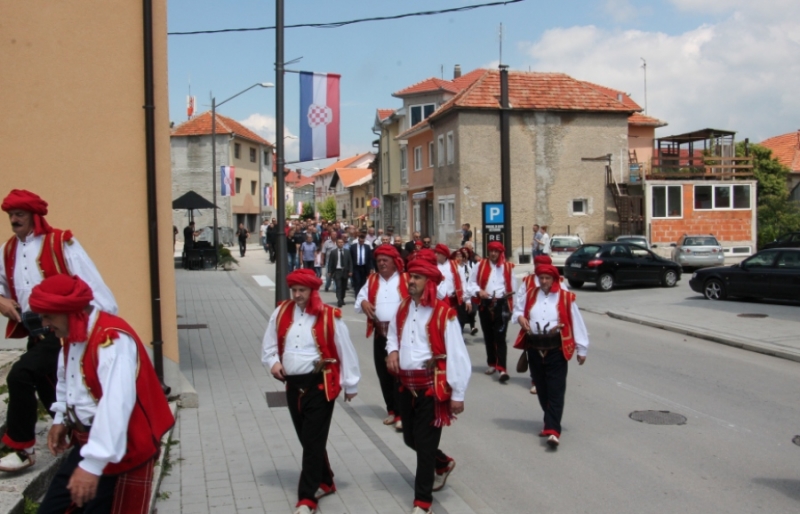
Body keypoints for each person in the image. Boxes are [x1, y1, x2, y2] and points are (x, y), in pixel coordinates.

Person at [31, 275, 174, 513]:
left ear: (70, 311)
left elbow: (116, 405)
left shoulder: (112, 340)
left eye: (48, 315)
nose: (45, 323)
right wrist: (60, 420)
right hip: (89, 444)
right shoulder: (71, 335)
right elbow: (66, 378)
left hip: (121, 448)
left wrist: (93, 465)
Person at [0, 190, 118, 473]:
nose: (14, 220)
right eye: (10, 215)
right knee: (51, 387)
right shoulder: (7, 250)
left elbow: (91, 282)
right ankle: (81, 438)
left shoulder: (61, 243)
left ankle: (21, 448)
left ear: (34, 216)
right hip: (34, 331)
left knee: (20, 375)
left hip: (64, 330)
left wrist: (106, 326)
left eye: (20, 215)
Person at [261, 269, 360, 514]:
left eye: (301, 291)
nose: (297, 295)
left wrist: (350, 384)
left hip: (320, 385)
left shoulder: (329, 316)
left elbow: (345, 349)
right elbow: (269, 344)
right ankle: (325, 481)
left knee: (313, 441)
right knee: (307, 439)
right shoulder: (281, 311)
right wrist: (273, 362)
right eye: (294, 290)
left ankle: (307, 498)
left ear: (312, 291)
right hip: (293, 385)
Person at [386, 259, 471, 514]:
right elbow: (393, 333)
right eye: (410, 276)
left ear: (430, 283)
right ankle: (442, 463)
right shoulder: (402, 308)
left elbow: (458, 356)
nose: (411, 281)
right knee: (411, 439)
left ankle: (422, 502)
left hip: (432, 389)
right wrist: (392, 351)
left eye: (417, 278)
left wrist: (458, 394)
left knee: (423, 446)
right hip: (406, 386)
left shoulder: (445, 314)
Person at [511, 264, 588, 448]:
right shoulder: (531, 294)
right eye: (541, 278)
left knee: (555, 389)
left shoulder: (565, 297)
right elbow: (517, 311)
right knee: (542, 388)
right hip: (534, 347)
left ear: (554, 279)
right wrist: (520, 318)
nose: (544, 281)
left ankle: (553, 430)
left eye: (547, 278)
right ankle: (549, 422)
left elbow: (576, 322)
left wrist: (582, 348)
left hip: (556, 349)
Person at [355, 245, 409, 432]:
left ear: (395, 261)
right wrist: (364, 302)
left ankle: (403, 414)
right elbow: (358, 300)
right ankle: (392, 410)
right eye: (379, 261)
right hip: (380, 335)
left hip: (402, 336)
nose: (382, 263)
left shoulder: (405, 278)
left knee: (400, 375)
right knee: (384, 375)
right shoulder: (372, 280)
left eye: (385, 260)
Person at [514, 255, 569, 395]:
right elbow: (519, 304)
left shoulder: (560, 284)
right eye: (537, 264)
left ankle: (550, 385)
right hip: (534, 331)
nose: (538, 267)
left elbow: (566, 305)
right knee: (535, 356)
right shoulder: (527, 282)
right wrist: (520, 317)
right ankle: (536, 381)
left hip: (552, 335)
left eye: (541, 264)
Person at [466, 241, 517, 384]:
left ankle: (502, 369)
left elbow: (513, 288)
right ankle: (492, 363)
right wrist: (479, 291)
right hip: (485, 304)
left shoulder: (508, 267)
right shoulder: (480, 265)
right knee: (488, 336)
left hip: (501, 304)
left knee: (500, 336)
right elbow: (471, 283)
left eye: (496, 251)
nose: (493, 254)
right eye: (491, 251)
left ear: (501, 253)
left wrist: (512, 306)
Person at [434, 244, 464, 310]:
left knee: (452, 319)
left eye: (438, 253)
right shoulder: (433, 266)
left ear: (444, 255)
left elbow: (463, 281)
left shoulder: (455, 265)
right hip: (438, 300)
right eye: (435, 252)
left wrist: (467, 300)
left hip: (453, 300)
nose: (435, 254)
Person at [326, 238, 352, 307]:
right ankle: (339, 300)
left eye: (342, 242)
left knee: (344, 286)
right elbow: (330, 262)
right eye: (339, 242)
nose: (341, 243)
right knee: (338, 286)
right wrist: (329, 271)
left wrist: (350, 271)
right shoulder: (333, 252)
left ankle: (342, 298)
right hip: (337, 271)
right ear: (336, 244)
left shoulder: (347, 252)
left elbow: (350, 262)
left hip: (345, 271)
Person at [349, 232, 373, 299]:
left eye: (363, 241)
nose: (361, 242)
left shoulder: (367, 247)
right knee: (357, 282)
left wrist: (371, 268)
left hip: (364, 267)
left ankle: (362, 297)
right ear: (358, 240)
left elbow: (370, 258)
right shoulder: (353, 247)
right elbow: (350, 258)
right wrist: (350, 269)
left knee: (363, 283)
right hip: (356, 267)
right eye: (360, 241)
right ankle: (357, 297)